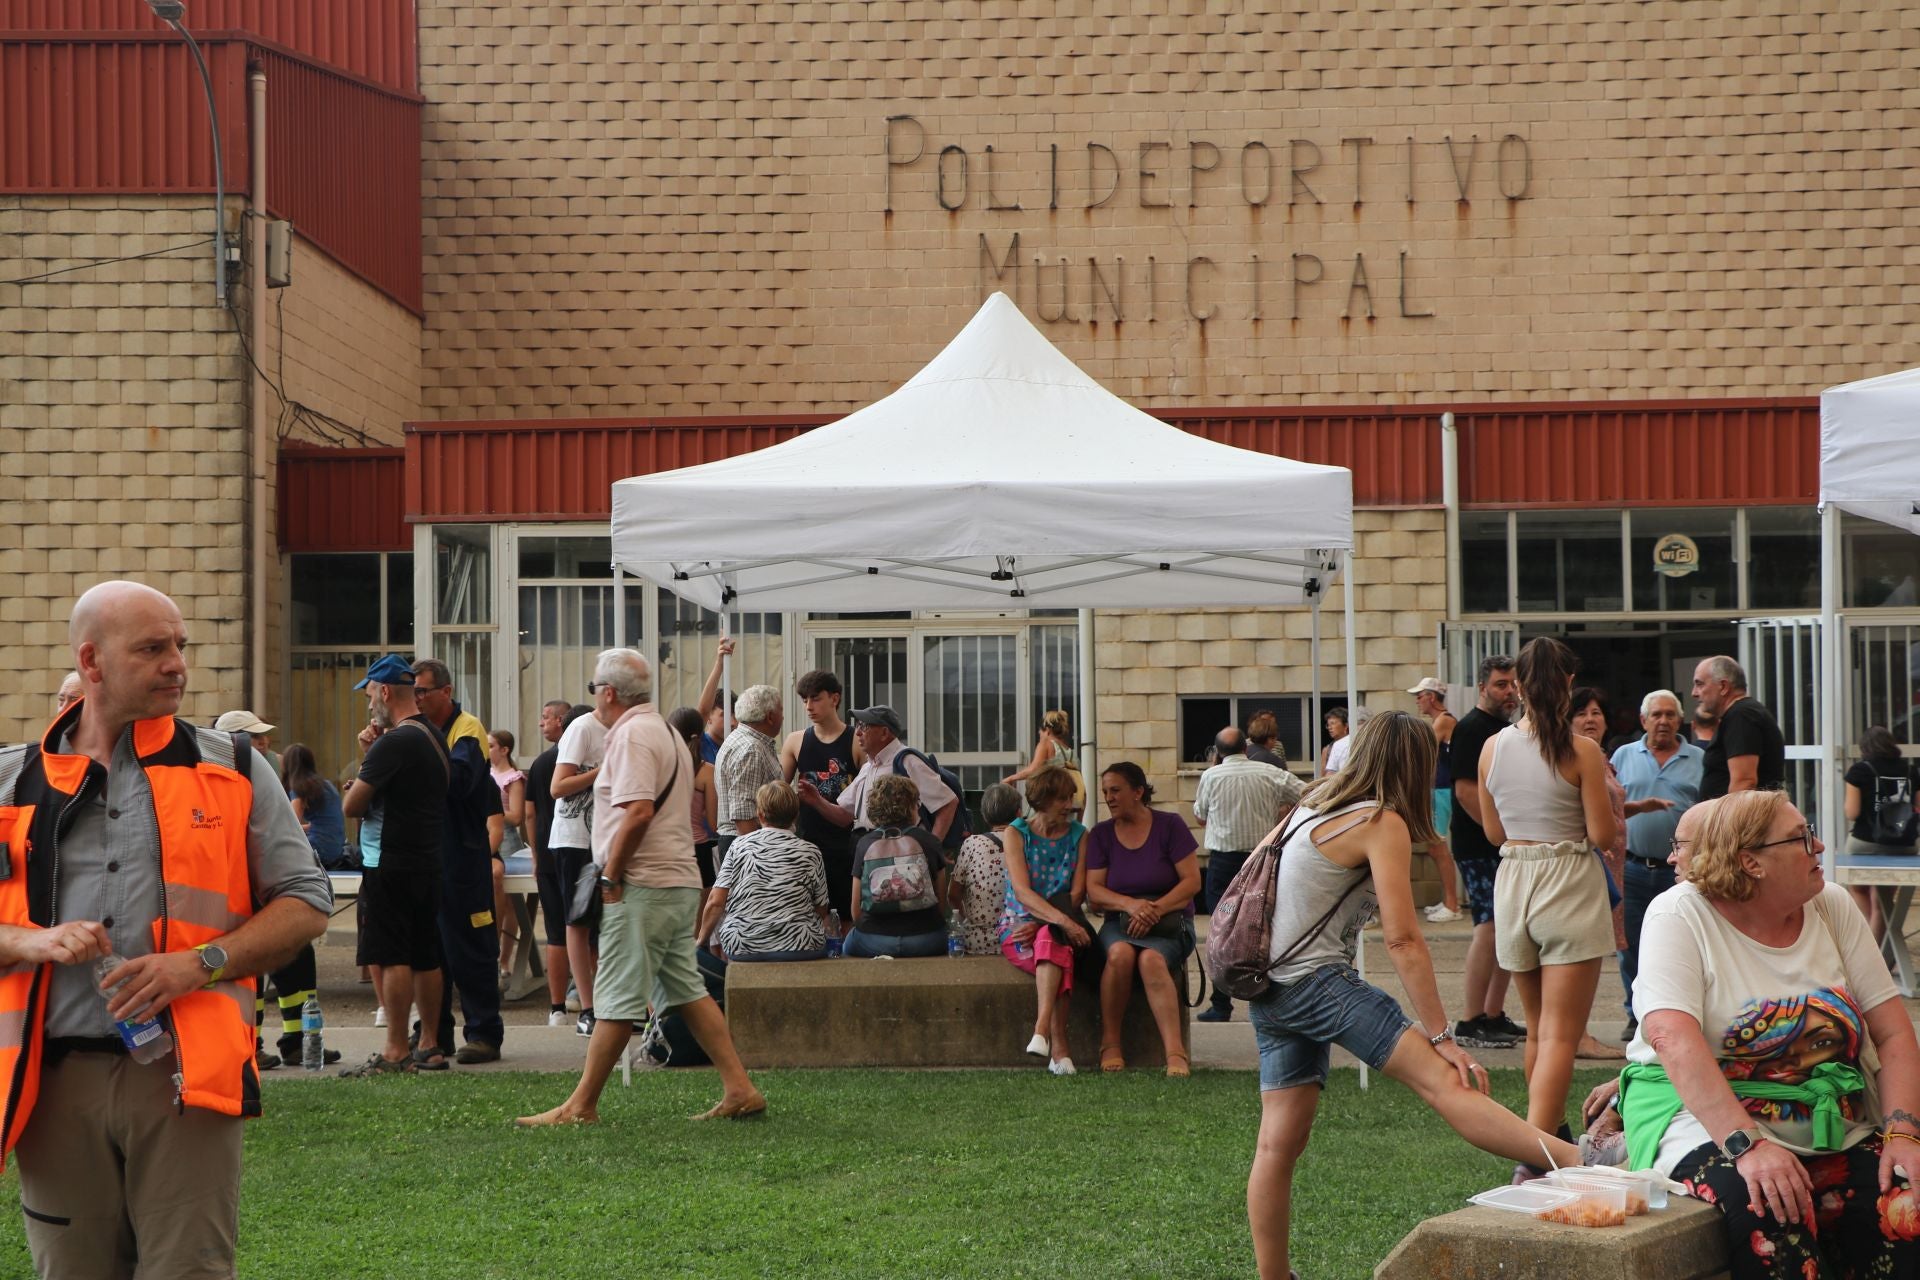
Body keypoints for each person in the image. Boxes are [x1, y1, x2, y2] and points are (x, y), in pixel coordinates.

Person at [0, 582, 329, 1278]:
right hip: (53, 1083)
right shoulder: (11, 783)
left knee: (190, 1270)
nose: (176, 663)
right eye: (153, 649)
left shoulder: (233, 767)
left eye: (180, 646)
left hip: (184, 1079)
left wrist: (197, 963)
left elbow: (306, 901)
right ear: (91, 663)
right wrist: (26, 942)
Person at [1245, 710, 1584, 1280]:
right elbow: (1402, 938)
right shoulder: (1380, 820)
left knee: (1276, 1146)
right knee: (1447, 1082)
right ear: (1416, 766)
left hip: (1267, 985)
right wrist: (1441, 1035)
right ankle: (1582, 1163)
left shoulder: (1312, 804)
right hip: (1315, 980)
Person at [1623, 789, 1920, 1280]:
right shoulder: (1678, 915)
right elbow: (1671, 1037)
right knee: (1769, 1209)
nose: (1821, 845)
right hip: (1709, 1121)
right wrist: (1751, 1146)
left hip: (1828, 1118)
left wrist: (1904, 1134)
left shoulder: (1832, 905)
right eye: (1803, 837)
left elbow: (1893, 1034)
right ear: (1750, 863)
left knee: (1903, 1198)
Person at [516, 648, 766, 1125]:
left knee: (613, 996)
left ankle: (581, 1105)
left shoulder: (631, 736)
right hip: (675, 882)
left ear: (608, 693)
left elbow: (637, 812)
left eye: (594, 691)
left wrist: (611, 873)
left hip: (643, 884)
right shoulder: (666, 732)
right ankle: (740, 1088)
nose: (592, 700)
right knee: (687, 992)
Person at [1479, 636, 1618, 1171]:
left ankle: (1546, 1129)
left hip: (1515, 878)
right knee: (1562, 1032)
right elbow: (1603, 833)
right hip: (1567, 880)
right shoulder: (1581, 750)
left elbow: (1494, 831)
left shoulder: (1492, 747)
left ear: (1515, 685)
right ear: (1566, 684)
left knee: (1538, 1028)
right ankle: (1537, 1152)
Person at [341, 653, 450, 1075]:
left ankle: (394, 1050)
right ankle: (430, 1044)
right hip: (425, 857)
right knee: (425, 954)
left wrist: (370, 758)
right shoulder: (431, 734)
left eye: (370, 696)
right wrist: (374, 755)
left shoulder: (395, 741)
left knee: (392, 954)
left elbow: (353, 805)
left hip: (389, 860)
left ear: (385, 692)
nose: (369, 706)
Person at [411, 659, 505, 1066]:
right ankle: (435, 1033)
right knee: (430, 948)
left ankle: (484, 1033)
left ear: (445, 692)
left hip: (463, 858)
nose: (416, 698)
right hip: (427, 855)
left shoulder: (467, 729)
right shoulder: (414, 730)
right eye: (412, 692)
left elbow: (459, 781)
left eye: (422, 691)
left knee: (472, 946)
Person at [1088, 761, 1203, 1075]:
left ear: (1138, 792)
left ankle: (1175, 1053)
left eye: (1116, 790)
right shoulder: (1101, 835)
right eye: (1105, 792)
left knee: (1151, 960)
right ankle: (1110, 1044)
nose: (1109, 798)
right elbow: (1094, 893)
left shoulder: (1170, 826)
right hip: (1120, 923)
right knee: (1121, 954)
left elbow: (1192, 883)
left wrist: (1154, 910)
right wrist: (1130, 905)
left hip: (1170, 922)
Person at [1193, 727, 1303, 1023]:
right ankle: (1273, 997)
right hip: (1261, 860)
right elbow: (1307, 794)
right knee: (1265, 926)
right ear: (1246, 747)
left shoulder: (1210, 777)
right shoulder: (1269, 773)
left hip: (1223, 861)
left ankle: (1221, 1004)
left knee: (1220, 931)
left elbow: (1200, 814)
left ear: (1217, 753)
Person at [1613, 690, 1703, 1041]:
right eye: (1656, 715)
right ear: (1643, 720)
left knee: (1682, 944)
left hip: (1681, 873)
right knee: (1631, 946)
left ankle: (1679, 1011)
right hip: (1634, 868)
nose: (1663, 721)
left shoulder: (1698, 758)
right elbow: (1607, 807)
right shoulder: (1622, 755)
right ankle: (1635, 1014)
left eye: (1670, 715)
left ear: (1680, 721)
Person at [1449, 656, 1525, 1051]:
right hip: (1480, 847)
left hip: (1503, 845)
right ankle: (1469, 1020)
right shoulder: (1470, 729)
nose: (1509, 691)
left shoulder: (1507, 730)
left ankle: (1493, 1015)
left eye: (1513, 684)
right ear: (1482, 688)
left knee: (1506, 929)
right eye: (1500, 685)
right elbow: (1463, 792)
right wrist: (1501, 838)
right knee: (1489, 927)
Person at [997, 764, 1090, 1076]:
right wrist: (1060, 923)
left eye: (1070, 798)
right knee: (1057, 950)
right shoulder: (1015, 833)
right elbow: (1022, 892)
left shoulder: (1079, 835)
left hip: (1055, 922)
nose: (1069, 806)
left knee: (1051, 941)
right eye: (1062, 799)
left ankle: (1041, 1032)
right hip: (1017, 925)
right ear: (1041, 800)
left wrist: (1051, 922)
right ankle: (1059, 1045)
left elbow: (1076, 895)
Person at [696, 781, 830, 964]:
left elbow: (715, 902)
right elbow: (821, 909)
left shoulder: (739, 847)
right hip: (801, 945)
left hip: (743, 943)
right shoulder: (811, 852)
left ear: (759, 814)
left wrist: (700, 941)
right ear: (796, 816)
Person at [796, 705, 962, 843]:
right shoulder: (869, 766)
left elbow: (948, 803)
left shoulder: (908, 761)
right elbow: (845, 816)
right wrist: (817, 801)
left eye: (864, 726)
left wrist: (932, 850)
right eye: (858, 725)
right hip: (869, 851)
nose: (858, 732)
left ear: (884, 733)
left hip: (902, 856)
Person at [1571, 686, 1631, 1062]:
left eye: (1597, 713)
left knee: (1597, 948)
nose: (1591, 719)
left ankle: (1578, 1032)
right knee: (1585, 950)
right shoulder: (1576, 758)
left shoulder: (1601, 758)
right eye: (1582, 713)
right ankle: (1579, 1035)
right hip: (1594, 863)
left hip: (1613, 862)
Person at [551, 683, 613, 1036]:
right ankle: (587, 1008)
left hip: (608, 838)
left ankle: (610, 1003)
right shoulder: (582, 727)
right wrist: (600, 773)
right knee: (578, 921)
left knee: (609, 921)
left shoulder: (623, 729)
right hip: (575, 839)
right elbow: (558, 787)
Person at [782, 669, 862, 923]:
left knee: (846, 918)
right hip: (807, 844)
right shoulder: (795, 741)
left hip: (845, 846)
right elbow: (778, 795)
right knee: (810, 917)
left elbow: (867, 798)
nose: (808, 706)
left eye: (815, 698)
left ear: (835, 699)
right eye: (804, 700)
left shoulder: (856, 741)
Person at [843, 775, 951, 958]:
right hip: (927, 939)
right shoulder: (930, 842)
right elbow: (941, 903)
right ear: (910, 806)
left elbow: (855, 910)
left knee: (846, 947)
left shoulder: (864, 844)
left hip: (873, 940)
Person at [523, 698, 573, 1027]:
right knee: (588, 931)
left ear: (562, 721)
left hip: (548, 852)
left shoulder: (541, 764)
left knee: (555, 932)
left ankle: (557, 1007)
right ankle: (591, 999)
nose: (541, 723)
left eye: (546, 718)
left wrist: (535, 851)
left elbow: (530, 812)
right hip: (579, 854)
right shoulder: (585, 762)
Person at [1843, 725, 1920, 935]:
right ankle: (1880, 948)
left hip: (1865, 842)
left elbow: (1852, 812)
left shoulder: (1860, 770)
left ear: (1865, 747)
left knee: (1858, 888)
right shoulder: (1910, 770)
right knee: (1882, 900)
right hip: (1903, 845)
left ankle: (1870, 943)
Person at [1408, 677, 1465, 924]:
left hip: (1441, 790)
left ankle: (1453, 905)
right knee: (1435, 846)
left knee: (1438, 846)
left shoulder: (1443, 721)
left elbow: (1423, 752)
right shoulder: (1441, 720)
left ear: (1431, 696)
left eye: (1419, 696)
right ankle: (1449, 901)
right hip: (1437, 789)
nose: (1417, 701)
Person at [1691, 656, 1786, 801]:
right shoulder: (1740, 714)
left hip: (1742, 819)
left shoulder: (1742, 715)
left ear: (1723, 687)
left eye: (1700, 684)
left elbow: (1744, 782)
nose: (1694, 693)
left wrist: (1732, 823)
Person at [714, 683, 784, 861]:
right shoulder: (751, 749)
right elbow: (743, 814)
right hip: (749, 848)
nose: (783, 717)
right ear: (770, 717)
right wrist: (760, 859)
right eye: (781, 711)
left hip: (742, 844)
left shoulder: (740, 739)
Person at [950, 783, 1018, 957]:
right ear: (1019, 813)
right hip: (1019, 939)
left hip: (979, 942)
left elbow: (953, 894)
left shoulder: (972, 844)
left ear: (985, 816)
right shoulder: (1027, 842)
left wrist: (967, 917)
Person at [668, 706, 722, 891]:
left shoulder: (661, 766)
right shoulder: (707, 771)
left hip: (667, 848)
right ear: (700, 734)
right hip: (698, 851)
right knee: (700, 919)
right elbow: (714, 824)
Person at [488, 729, 527, 987]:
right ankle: (495, 955)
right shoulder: (483, 774)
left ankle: (505, 958)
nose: (487, 750)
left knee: (514, 903)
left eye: (491, 745)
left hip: (509, 842)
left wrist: (492, 813)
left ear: (505, 749)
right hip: (488, 836)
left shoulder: (513, 778)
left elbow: (516, 815)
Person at [1004, 708, 1085, 812]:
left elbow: (1034, 769)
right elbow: (1083, 792)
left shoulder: (1046, 744)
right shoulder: (1073, 755)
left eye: (1040, 732)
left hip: (1048, 809)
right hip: (1069, 812)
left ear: (1047, 731)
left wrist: (1011, 778)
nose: (1039, 734)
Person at [283, 742, 347, 870]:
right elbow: (324, 824)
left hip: (318, 850)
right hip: (336, 849)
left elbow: (291, 826)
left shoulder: (299, 788)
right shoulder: (326, 785)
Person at [695, 637, 736, 764]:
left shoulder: (737, 747)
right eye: (724, 715)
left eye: (735, 716)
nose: (733, 722)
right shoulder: (699, 742)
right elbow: (702, 710)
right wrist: (720, 664)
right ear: (709, 718)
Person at [215, 708, 282, 781]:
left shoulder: (276, 761)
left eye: (265, 735)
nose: (263, 741)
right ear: (231, 739)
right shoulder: (213, 771)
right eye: (255, 735)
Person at [1320, 706, 1351, 774]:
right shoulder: (1327, 750)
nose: (1329, 727)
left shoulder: (1354, 744)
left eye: (1332, 723)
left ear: (1346, 725)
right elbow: (1323, 775)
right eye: (1328, 725)